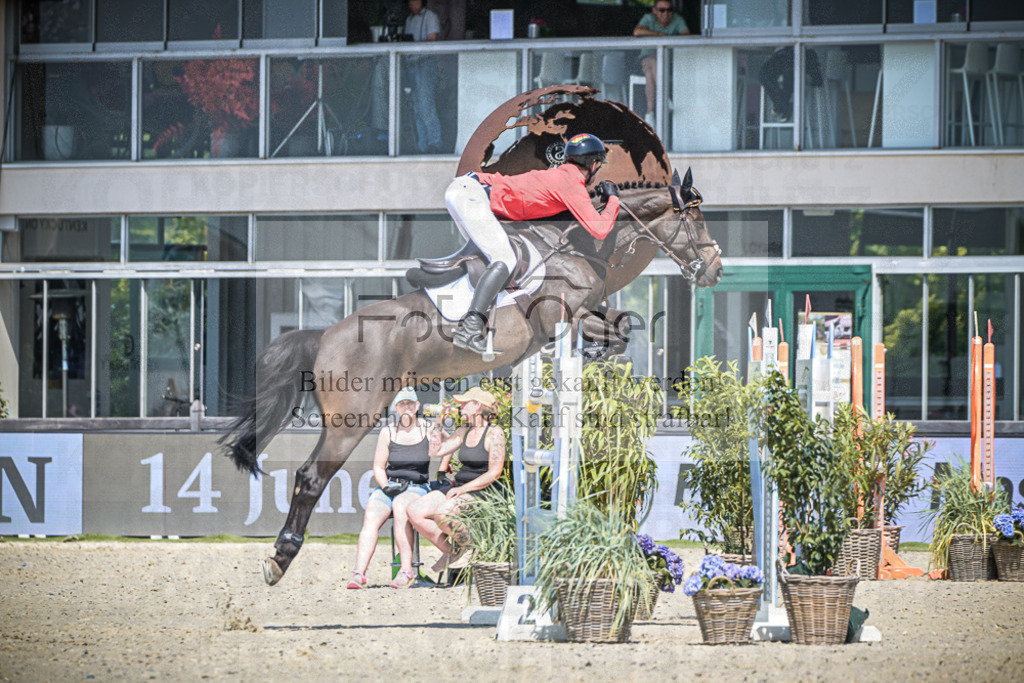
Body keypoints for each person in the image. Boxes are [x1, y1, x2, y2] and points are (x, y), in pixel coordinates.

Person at [443, 133, 621, 354]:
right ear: (593, 165)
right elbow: (601, 230)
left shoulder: (562, 176)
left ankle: (471, 318)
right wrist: (613, 200)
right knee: (505, 259)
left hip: (468, 191)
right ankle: (469, 329)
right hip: (471, 195)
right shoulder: (571, 184)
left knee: (491, 261)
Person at [348, 387, 441, 589]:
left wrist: (442, 470)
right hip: (391, 484)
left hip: (416, 485)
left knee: (401, 507)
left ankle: (405, 570)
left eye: (409, 403)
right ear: (396, 408)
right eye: (401, 404)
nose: (406, 407)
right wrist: (385, 486)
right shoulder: (388, 431)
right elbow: (378, 467)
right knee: (371, 513)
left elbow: (444, 448)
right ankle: (359, 573)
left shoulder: (428, 428)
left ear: (417, 406)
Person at [407, 386, 506, 573]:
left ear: (477, 406)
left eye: (464, 403)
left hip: (483, 491)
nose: (460, 407)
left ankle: (471, 546)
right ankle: (451, 551)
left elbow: (494, 473)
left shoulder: (495, 433)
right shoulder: (463, 430)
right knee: (414, 510)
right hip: (461, 486)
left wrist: (463, 489)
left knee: (443, 513)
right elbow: (435, 451)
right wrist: (438, 423)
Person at [632, 1, 689, 127]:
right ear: (655, 11)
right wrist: (660, 35)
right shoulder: (648, 18)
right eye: (662, 10)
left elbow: (687, 36)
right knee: (652, 61)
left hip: (669, 62)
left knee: (650, 73)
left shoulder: (677, 19)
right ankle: (665, 97)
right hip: (644, 60)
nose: (666, 13)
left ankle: (649, 111)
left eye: (669, 10)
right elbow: (637, 32)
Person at [404, 0, 443, 154]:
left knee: (427, 105)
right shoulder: (409, 20)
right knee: (417, 107)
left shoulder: (430, 16)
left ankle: (435, 143)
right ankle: (422, 145)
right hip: (412, 64)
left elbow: (432, 38)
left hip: (426, 63)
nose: (413, 4)